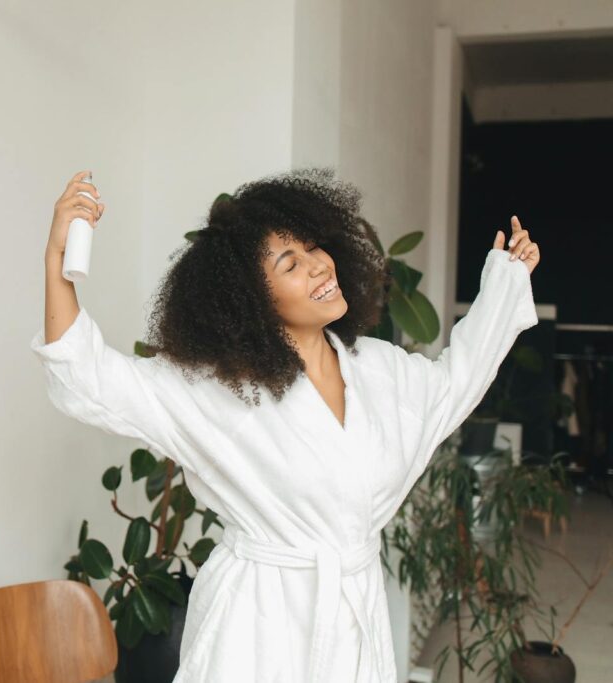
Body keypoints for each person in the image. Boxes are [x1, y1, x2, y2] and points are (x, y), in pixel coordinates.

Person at [30, 167, 541, 682]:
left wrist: (504, 287)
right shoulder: (220, 391)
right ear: (252, 298)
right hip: (256, 630)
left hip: (352, 617)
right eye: (290, 263)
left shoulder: (381, 371)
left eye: (315, 247)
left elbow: (457, 382)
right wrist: (58, 260)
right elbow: (90, 378)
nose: (320, 266)